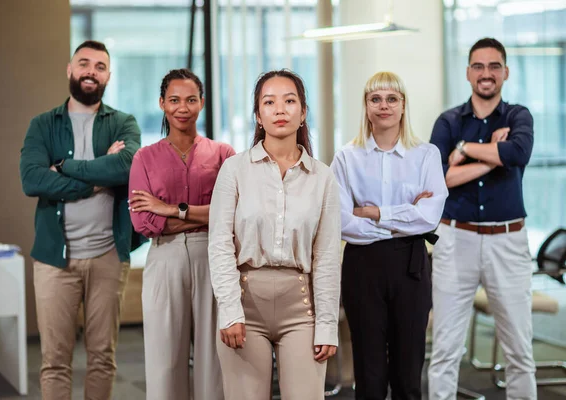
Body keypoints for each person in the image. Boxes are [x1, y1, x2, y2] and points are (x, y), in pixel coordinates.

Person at [208, 69, 341, 400]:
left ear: (303, 112)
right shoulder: (234, 170)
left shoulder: (322, 178)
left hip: (301, 309)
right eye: (270, 102)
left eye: (290, 101)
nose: (280, 109)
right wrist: (229, 310)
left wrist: (327, 323)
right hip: (243, 305)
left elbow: (326, 256)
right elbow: (220, 245)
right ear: (258, 115)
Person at [19, 40, 141, 399]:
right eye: (84, 63)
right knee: (55, 359)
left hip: (107, 256)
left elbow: (127, 168)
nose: (91, 71)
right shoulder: (42, 125)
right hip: (55, 259)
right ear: (69, 70)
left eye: (100, 66)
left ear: (108, 76)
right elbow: (32, 180)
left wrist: (65, 168)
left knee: (103, 357)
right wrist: (96, 178)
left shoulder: (123, 123)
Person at [427, 37, 536, 400]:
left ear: (505, 72)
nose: (486, 73)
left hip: (508, 241)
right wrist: (493, 155)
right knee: (444, 350)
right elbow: (440, 179)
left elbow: (517, 152)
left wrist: (465, 150)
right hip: (455, 238)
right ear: (468, 73)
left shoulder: (518, 116)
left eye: (493, 66)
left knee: (519, 351)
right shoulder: (447, 121)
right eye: (478, 66)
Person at [331, 71, 447, 400]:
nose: (384, 105)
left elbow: (429, 218)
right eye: (375, 99)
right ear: (366, 106)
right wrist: (404, 215)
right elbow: (340, 220)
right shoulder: (346, 158)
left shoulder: (426, 155)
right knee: (369, 373)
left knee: (408, 372)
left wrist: (376, 212)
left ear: (403, 106)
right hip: (362, 265)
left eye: (392, 98)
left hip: (410, 264)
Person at [128, 68, 234, 400]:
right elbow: (143, 222)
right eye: (174, 100)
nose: (182, 107)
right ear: (161, 103)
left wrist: (172, 209)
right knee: (163, 357)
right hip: (164, 257)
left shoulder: (223, 155)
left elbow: (233, 214)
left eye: (190, 99)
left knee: (214, 357)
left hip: (213, 258)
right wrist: (207, 215)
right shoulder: (144, 158)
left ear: (202, 103)